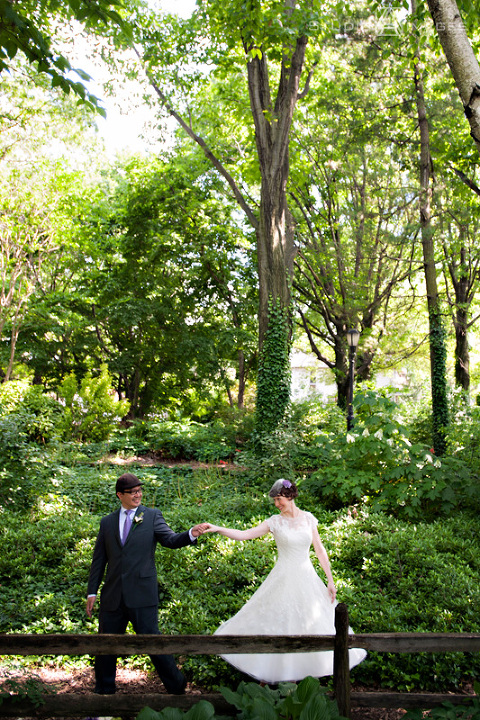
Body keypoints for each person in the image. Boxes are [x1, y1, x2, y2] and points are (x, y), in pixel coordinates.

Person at [204, 478, 367, 683]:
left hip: (307, 579)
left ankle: (301, 680)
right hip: (282, 579)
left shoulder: (308, 519)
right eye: (275, 500)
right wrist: (218, 528)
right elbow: (245, 534)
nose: (276, 504)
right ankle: (273, 679)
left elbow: (319, 550)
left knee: (310, 623)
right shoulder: (274, 522)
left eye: (279, 499)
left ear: (290, 496)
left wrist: (330, 580)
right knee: (277, 622)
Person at [86, 472, 208, 695]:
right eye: (132, 492)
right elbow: (99, 560)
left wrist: (191, 533)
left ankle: (177, 688)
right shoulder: (107, 522)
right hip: (113, 595)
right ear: (119, 495)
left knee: (153, 642)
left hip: (142, 594)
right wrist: (91, 592)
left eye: (139, 490)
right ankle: (103, 692)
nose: (138, 494)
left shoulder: (151, 516)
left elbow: (170, 540)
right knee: (106, 645)